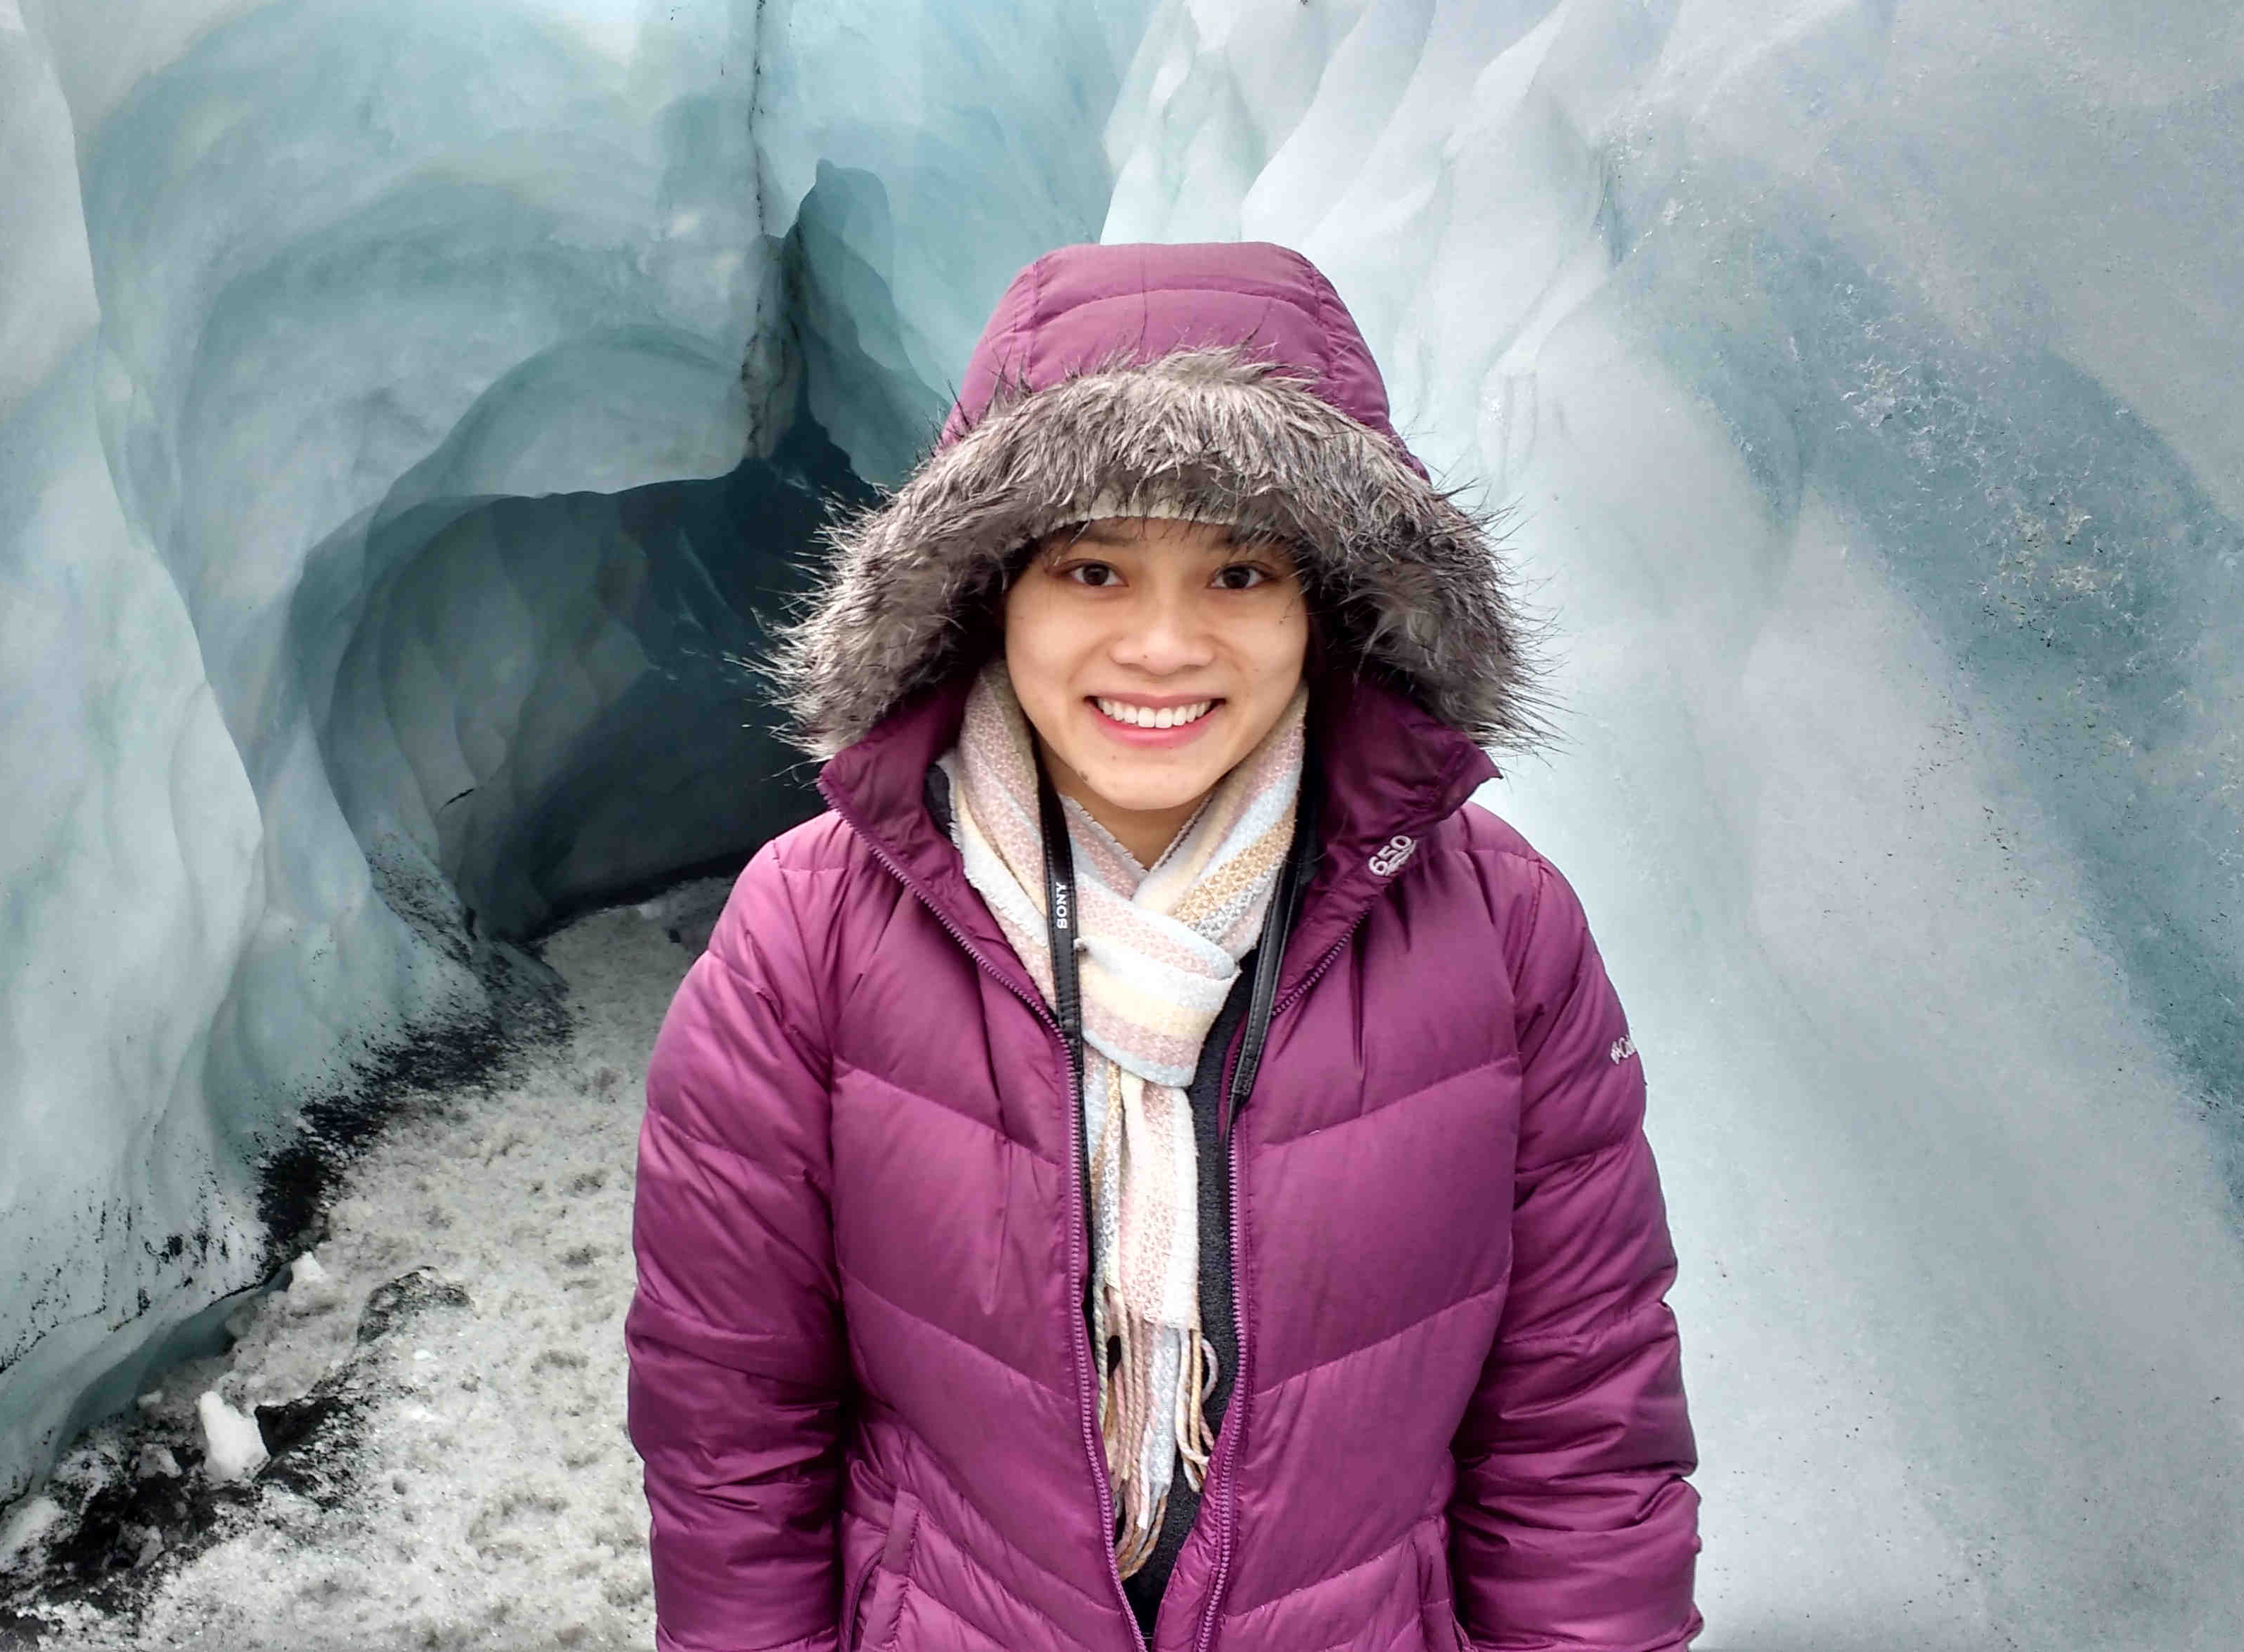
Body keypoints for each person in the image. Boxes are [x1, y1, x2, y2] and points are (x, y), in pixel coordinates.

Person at [624, 241, 1700, 1652]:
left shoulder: (1499, 934)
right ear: (984, 591)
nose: (1162, 642)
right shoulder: (808, 936)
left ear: (1333, 605)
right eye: (1092, 565)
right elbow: (732, 1433)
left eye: (1241, 571)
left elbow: (1577, 1433)